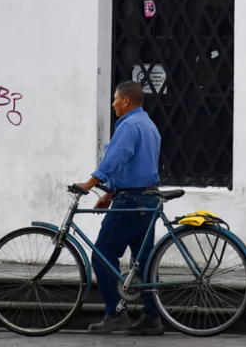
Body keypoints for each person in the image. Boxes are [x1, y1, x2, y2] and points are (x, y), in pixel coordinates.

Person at [76, 81, 163, 336]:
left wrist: (90, 183)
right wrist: (111, 193)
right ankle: (151, 316)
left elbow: (116, 159)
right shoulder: (149, 125)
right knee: (142, 259)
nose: (113, 104)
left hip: (131, 202)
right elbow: (138, 165)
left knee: (102, 254)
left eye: (115, 99)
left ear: (126, 100)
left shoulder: (128, 126)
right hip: (147, 199)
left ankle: (114, 313)